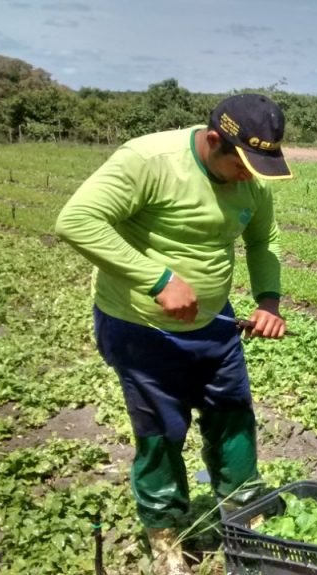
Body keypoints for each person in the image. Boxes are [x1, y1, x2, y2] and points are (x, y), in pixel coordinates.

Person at [55, 93, 293, 575]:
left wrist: (268, 301)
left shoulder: (253, 177)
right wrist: (158, 280)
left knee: (233, 417)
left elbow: (262, 240)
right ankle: (166, 535)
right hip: (141, 329)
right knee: (162, 432)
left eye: (261, 166)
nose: (251, 176)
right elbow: (76, 221)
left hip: (216, 324)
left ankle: (244, 515)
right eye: (244, 164)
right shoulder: (149, 160)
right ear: (212, 142)